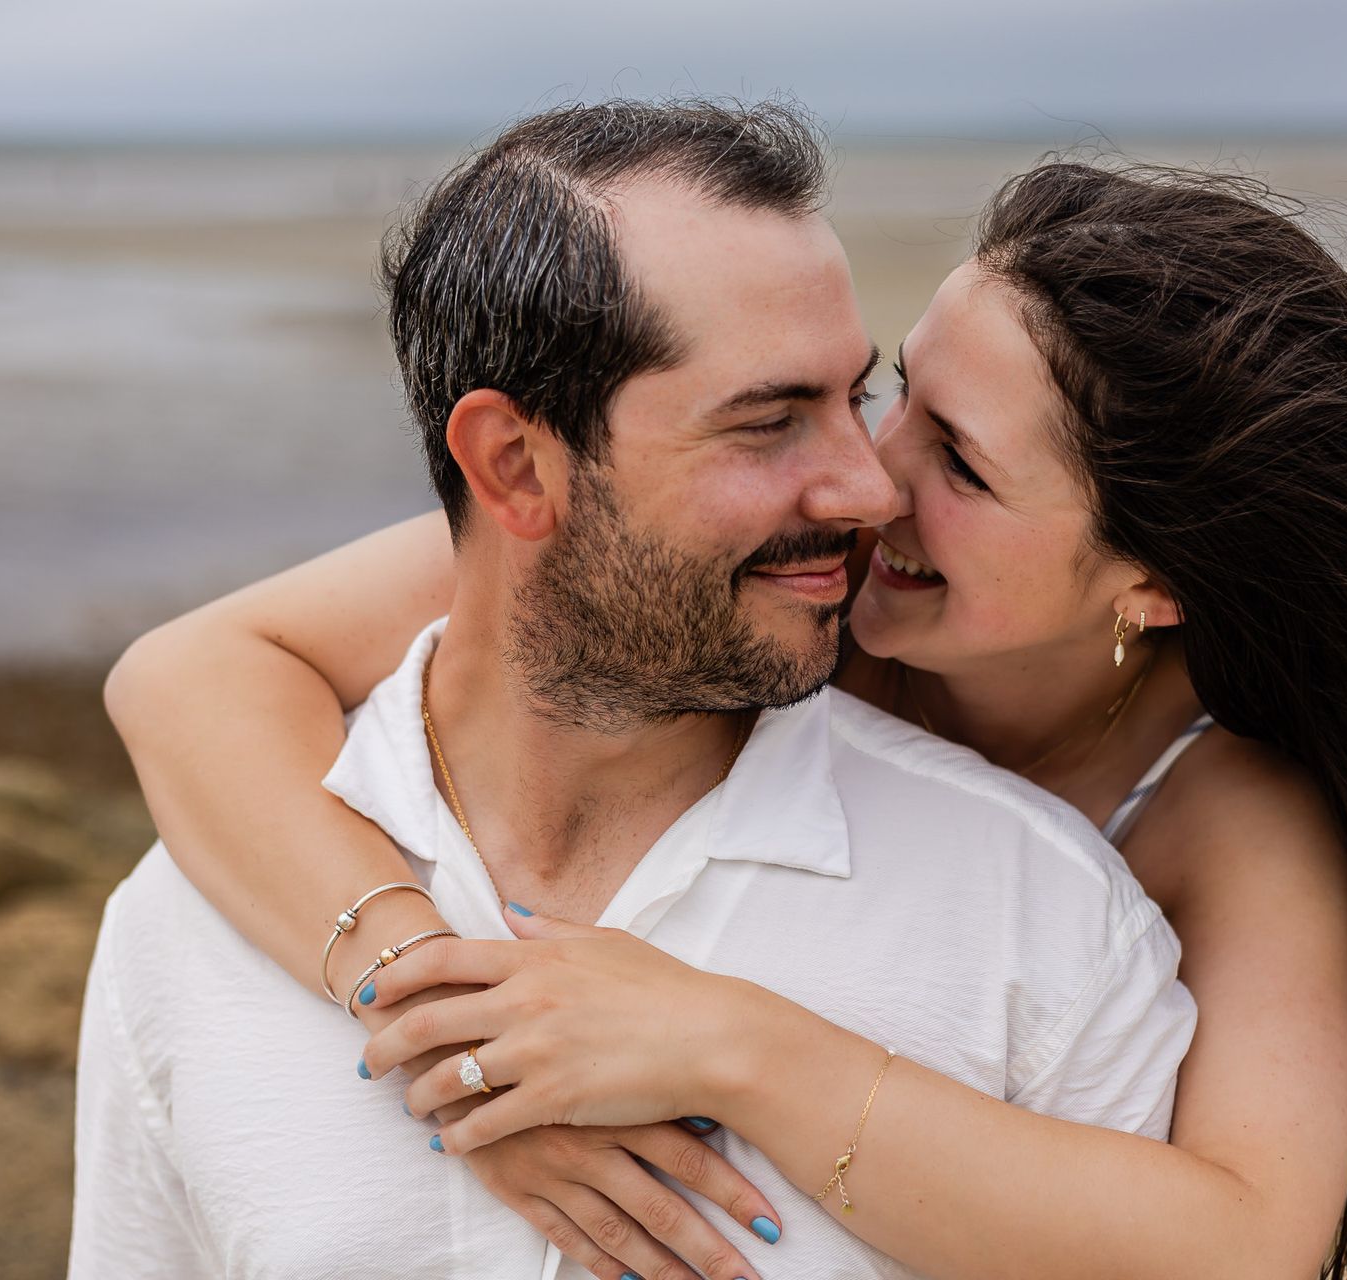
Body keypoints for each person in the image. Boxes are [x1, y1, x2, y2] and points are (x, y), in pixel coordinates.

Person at [103, 125, 1347, 1280]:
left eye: (960, 463)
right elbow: (186, 675)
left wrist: (736, 1048)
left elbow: (1242, 1243)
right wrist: (444, 1019)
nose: (870, 478)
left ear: (1151, 585)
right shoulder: (757, 595)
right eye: (888, 388)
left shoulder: (1224, 813)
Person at [72, 100, 1198, 1280]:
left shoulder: (1042, 921)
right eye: (771, 422)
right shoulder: (190, 919)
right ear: (516, 465)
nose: (871, 489)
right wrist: (435, 1021)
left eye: (852, 396)